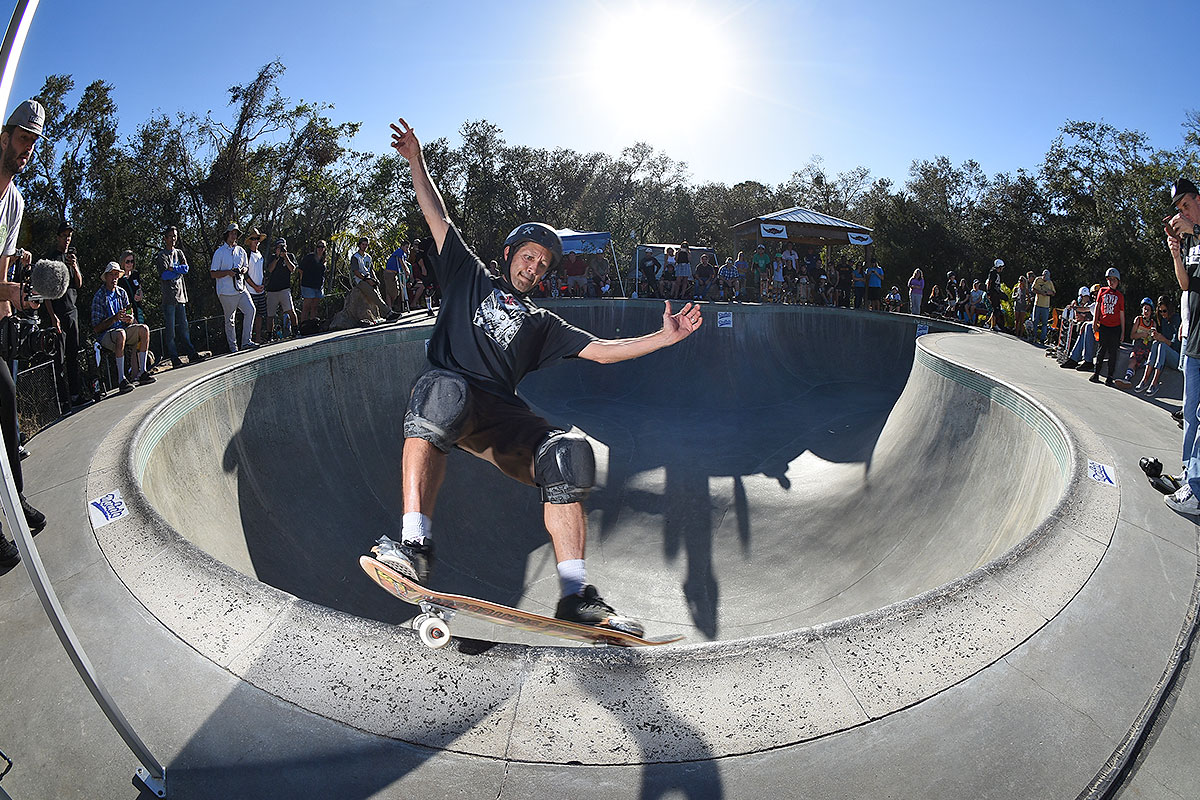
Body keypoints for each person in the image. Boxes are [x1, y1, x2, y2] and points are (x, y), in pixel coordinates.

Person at [375, 116, 704, 634]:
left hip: (499, 415)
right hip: (452, 393)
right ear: (508, 256)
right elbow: (436, 216)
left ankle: (575, 595)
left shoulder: (543, 324)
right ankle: (414, 544)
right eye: (527, 257)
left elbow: (600, 351)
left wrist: (664, 338)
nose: (532, 268)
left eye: (542, 265)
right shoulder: (467, 276)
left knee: (570, 452)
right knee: (442, 393)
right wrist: (417, 161)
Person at [0, 100, 48, 569]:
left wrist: (15, 303)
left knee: (7, 399)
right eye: (21, 139)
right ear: (4, 136)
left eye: (32, 144)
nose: (26, 151)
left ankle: (15, 502)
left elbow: (0, 274)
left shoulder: (13, 201)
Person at [1165, 177, 1200, 515]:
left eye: (1186, 206)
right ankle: (1190, 475)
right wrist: (1177, 253)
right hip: (1194, 337)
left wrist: (1194, 229)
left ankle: (1198, 488)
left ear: (1197, 199)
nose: (1182, 214)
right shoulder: (1190, 241)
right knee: (1190, 414)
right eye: (1179, 210)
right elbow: (1186, 283)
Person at [92, 261, 155, 390]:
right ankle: (122, 379)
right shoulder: (99, 296)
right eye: (111, 275)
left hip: (123, 330)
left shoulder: (122, 293)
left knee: (144, 329)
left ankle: (142, 372)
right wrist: (114, 319)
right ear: (106, 277)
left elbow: (129, 314)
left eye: (116, 275)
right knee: (120, 333)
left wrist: (129, 319)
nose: (114, 278)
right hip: (106, 335)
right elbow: (96, 328)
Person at [41, 222, 83, 406]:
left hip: (71, 310)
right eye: (64, 235)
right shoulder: (51, 259)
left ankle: (76, 395)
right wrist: (52, 316)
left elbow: (79, 283)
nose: (67, 239)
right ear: (58, 237)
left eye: (69, 236)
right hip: (57, 313)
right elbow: (45, 293)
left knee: (74, 355)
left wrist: (74, 266)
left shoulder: (71, 257)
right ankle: (63, 401)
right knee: (59, 359)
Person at [156, 225, 205, 368]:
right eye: (170, 236)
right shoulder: (162, 256)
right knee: (170, 330)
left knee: (184, 327)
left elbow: (186, 269)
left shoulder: (179, 253)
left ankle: (191, 353)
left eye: (175, 236)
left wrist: (174, 269)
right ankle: (174, 357)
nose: (173, 239)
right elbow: (164, 275)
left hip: (181, 296)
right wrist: (177, 271)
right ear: (165, 238)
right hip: (169, 298)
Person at [211, 223, 258, 353]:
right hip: (226, 292)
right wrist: (227, 272)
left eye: (236, 233)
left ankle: (246, 341)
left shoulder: (241, 251)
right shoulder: (219, 252)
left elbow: (246, 266)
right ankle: (233, 348)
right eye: (232, 233)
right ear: (227, 234)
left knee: (250, 310)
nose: (234, 235)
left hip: (240, 288)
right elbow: (213, 273)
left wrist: (243, 270)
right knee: (229, 319)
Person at [1136, 296, 1180, 395]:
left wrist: (1162, 338)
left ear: (1169, 309)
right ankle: (1145, 379)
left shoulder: (1177, 320)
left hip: (1176, 358)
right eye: (1160, 312)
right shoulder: (1163, 320)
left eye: (1164, 311)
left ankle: (1155, 382)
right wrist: (1156, 336)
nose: (1163, 314)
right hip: (1164, 355)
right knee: (1156, 343)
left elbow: (1175, 345)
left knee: (1162, 345)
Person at [1089, 267, 1125, 387]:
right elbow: (1098, 307)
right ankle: (1096, 373)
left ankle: (1110, 377)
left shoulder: (1119, 296)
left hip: (1115, 328)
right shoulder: (1102, 291)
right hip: (1104, 325)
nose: (1111, 282)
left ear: (1118, 281)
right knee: (1101, 350)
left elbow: (1121, 314)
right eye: (1109, 279)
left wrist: (1123, 332)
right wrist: (1095, 323)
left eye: (1114, 280)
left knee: (1113, 353)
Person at [1117, 298, 1156, 389]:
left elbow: (1154, 337)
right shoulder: (1138, 319)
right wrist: (1142, 334)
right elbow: (1132, 336)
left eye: (1148, 309)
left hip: (1147, 349)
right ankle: (1127, 378)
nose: (1146, 311)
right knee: (1133, 359)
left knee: (1149, 359)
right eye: (1144, 309)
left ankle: (1145, 381)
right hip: (1138, 347)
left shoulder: (1153, 323)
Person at [264, 238, 299, 337]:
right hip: (272, 290)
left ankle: (295, 331)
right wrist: (277, 257)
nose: (281, 248)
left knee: (291, 311)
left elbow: (292, 269)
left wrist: (285, 257)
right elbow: (270, 269)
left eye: (283, 246)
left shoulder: (290, 256)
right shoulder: (272, 257)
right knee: (270, 315)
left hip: (285, 289)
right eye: (279, 247)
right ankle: (269, 335)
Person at [243, 229, 268, 344]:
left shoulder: (260, 254)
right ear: (250, 241)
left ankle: (258, 337)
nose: (256, 241)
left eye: (257, 239)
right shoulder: (247, 254)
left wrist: (262, 285)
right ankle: (249, 339)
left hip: (260, 291)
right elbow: (245, 274)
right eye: (253, 239)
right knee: (251, 315)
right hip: (250, 291)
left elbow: (261, 271)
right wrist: (254, 286)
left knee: (260, 315)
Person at [298, 240, 327, 323]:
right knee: (306, 306)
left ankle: (312, 324)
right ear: (316, 247)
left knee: (315, 306)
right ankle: (303, 324)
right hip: (308, 285)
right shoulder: (309, 257)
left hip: (318, 286)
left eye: (322, 247)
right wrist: (302, 280)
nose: (320, 248)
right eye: (319, 246)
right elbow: (300, 269)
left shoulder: (324, 259)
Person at [116, 249, 145, 325]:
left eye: (132, 261)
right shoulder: (119, 279)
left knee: (142, 328)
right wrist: (130, 315)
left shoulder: (135, 274)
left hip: (138, 308)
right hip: (127, 310)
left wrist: (140, 294)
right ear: (123, 262)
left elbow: (139, 288)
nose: (130, 264)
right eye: (127, 261)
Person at [384, 242, 410, 313]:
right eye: (406, 247)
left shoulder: (404, 254)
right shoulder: (399, 251)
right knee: (390, 291)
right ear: (402, 246)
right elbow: (401, 261)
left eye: (408, 247)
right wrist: (406, 270)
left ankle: (390, 308)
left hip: (394, 274)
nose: (407, 249)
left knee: (396, 291)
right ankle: (389, 309)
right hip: (389, 273)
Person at [1031, 269, 1056, 345]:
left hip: (1046, 306)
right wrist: (1040, 292)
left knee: (1044, 323)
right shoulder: (1038, 280)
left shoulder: (1050, 283)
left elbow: (1054, 293)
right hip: (1037, 304)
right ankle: (1033, 336)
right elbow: (1033, 289)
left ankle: (1042, 339)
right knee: (1035, 321)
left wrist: (1049, 292)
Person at [985, 259, 1006, 331]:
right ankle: (992, 325)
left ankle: (988, 323)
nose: (1002, 269)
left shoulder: (997, 274)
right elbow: (989, 283)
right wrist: (988, 293)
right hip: (993, 293)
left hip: (996, 293)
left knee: (997, 309)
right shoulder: (993, 273)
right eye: (1001, 267)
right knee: (996, 309)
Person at [1012, 274, 1032, 340]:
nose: (1020, 282)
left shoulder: (1025, 290)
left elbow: (1029, 299)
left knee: (1021, 321)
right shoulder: (1016, 289)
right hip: (1017, 305)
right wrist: (1016, 296)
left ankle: (1021, 334)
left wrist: (1027, 306)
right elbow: (1012, 296)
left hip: (1023, 306)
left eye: (1022, 280)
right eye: (1019, 280)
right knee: (1017, 320)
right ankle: (1016, 333)